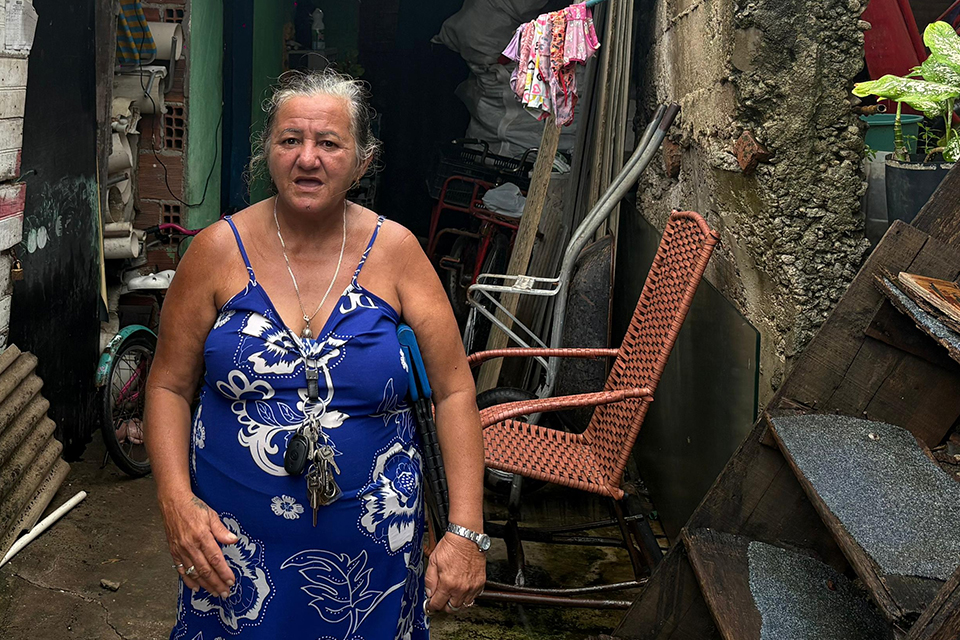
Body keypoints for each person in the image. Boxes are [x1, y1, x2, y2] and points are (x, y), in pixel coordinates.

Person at [145, 70, 486, 640]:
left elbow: (454, 391)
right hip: (234, 556)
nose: (308, 158)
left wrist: (466, 529)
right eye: (290, 140)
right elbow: (167, 387)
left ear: (362, 159)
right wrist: (176, 502)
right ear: (268, 152)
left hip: (373, 555)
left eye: (329, 143)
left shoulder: (397, 252)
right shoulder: (215, 252)